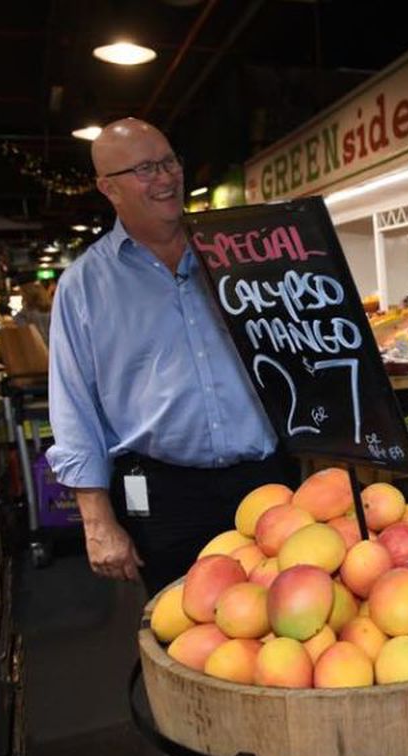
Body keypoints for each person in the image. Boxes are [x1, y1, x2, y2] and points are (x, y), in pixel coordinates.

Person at [47, 118, 292, 596]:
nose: (165, 177)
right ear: (108, 188)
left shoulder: (238, 254)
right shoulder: (83, 287)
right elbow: (73, 405)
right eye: (144, 169)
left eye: (168, 161)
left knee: (287, 622)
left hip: (265, 482)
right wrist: (97, 520)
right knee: (183, 630)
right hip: (163, 496)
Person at [14, 280, 52, 344]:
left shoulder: (25, 315)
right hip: (51, 349)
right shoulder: (51, 312)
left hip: (35, 349)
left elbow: (21, 327)